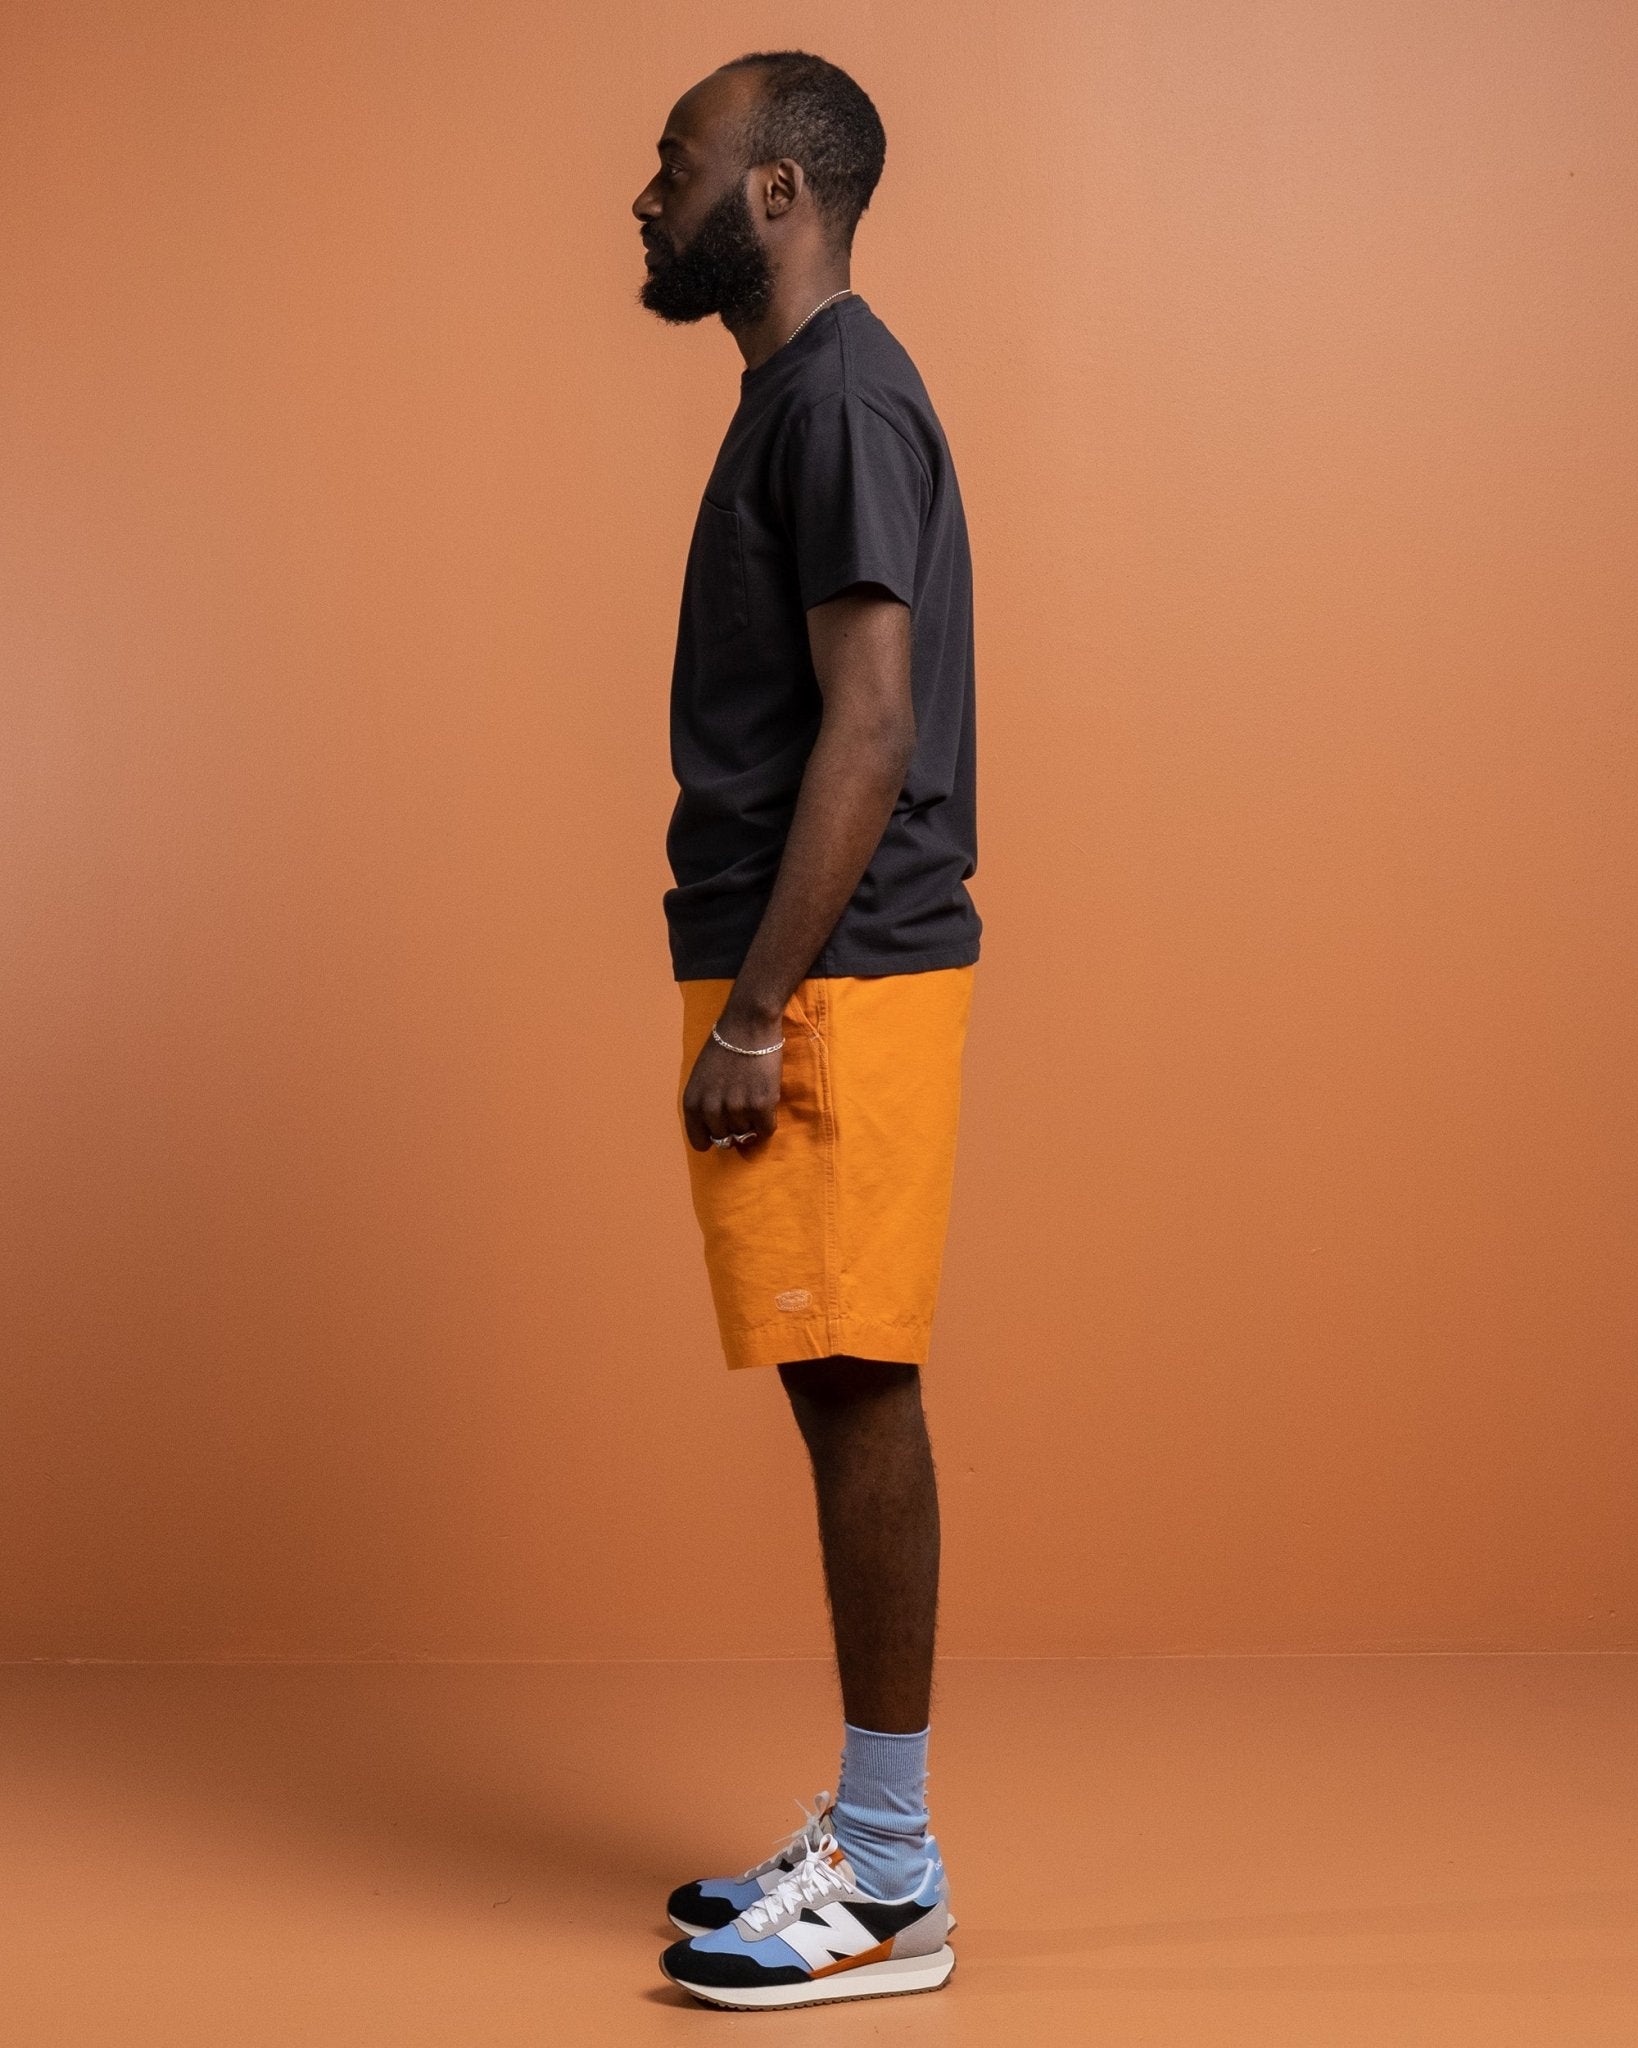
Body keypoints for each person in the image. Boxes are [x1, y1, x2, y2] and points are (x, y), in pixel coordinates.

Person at [632, 48, 982, 2011]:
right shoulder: (799, 396)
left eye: (674, 160)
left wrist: (761, 1013)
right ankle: (869, 1837)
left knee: (857, 1384)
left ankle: (891, 1877)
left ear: (774, 191)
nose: (645, 192)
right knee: (831, 1376)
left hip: (828, 973)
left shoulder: (839, 395)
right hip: (797, 963)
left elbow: (873, 722)